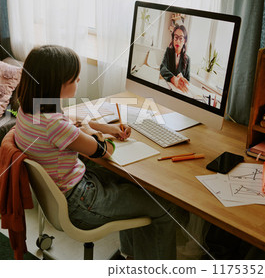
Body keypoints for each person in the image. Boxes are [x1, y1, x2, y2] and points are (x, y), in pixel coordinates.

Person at [14, 44, 177, 259]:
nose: (79, 81)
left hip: (69, 191)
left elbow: (71, 121)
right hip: (81, 202)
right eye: (75, 78)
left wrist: (104, 128)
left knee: (135, 184)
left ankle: (129, 255)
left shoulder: (30, 111)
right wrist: (97, 135)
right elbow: (104, 151)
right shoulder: (55, 125)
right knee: (164, 206)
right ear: (58, 84)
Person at [160, 25, 191, 93]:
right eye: (176, 37)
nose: (177, 41)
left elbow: (188, 81)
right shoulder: (168, 51)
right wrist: (173, 79)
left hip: (179, 92)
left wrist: (182, 78)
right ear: (173, 38)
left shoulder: (188, 59)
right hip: (167, 89)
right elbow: (162, 68)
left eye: (181, 38)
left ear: (184, 41)